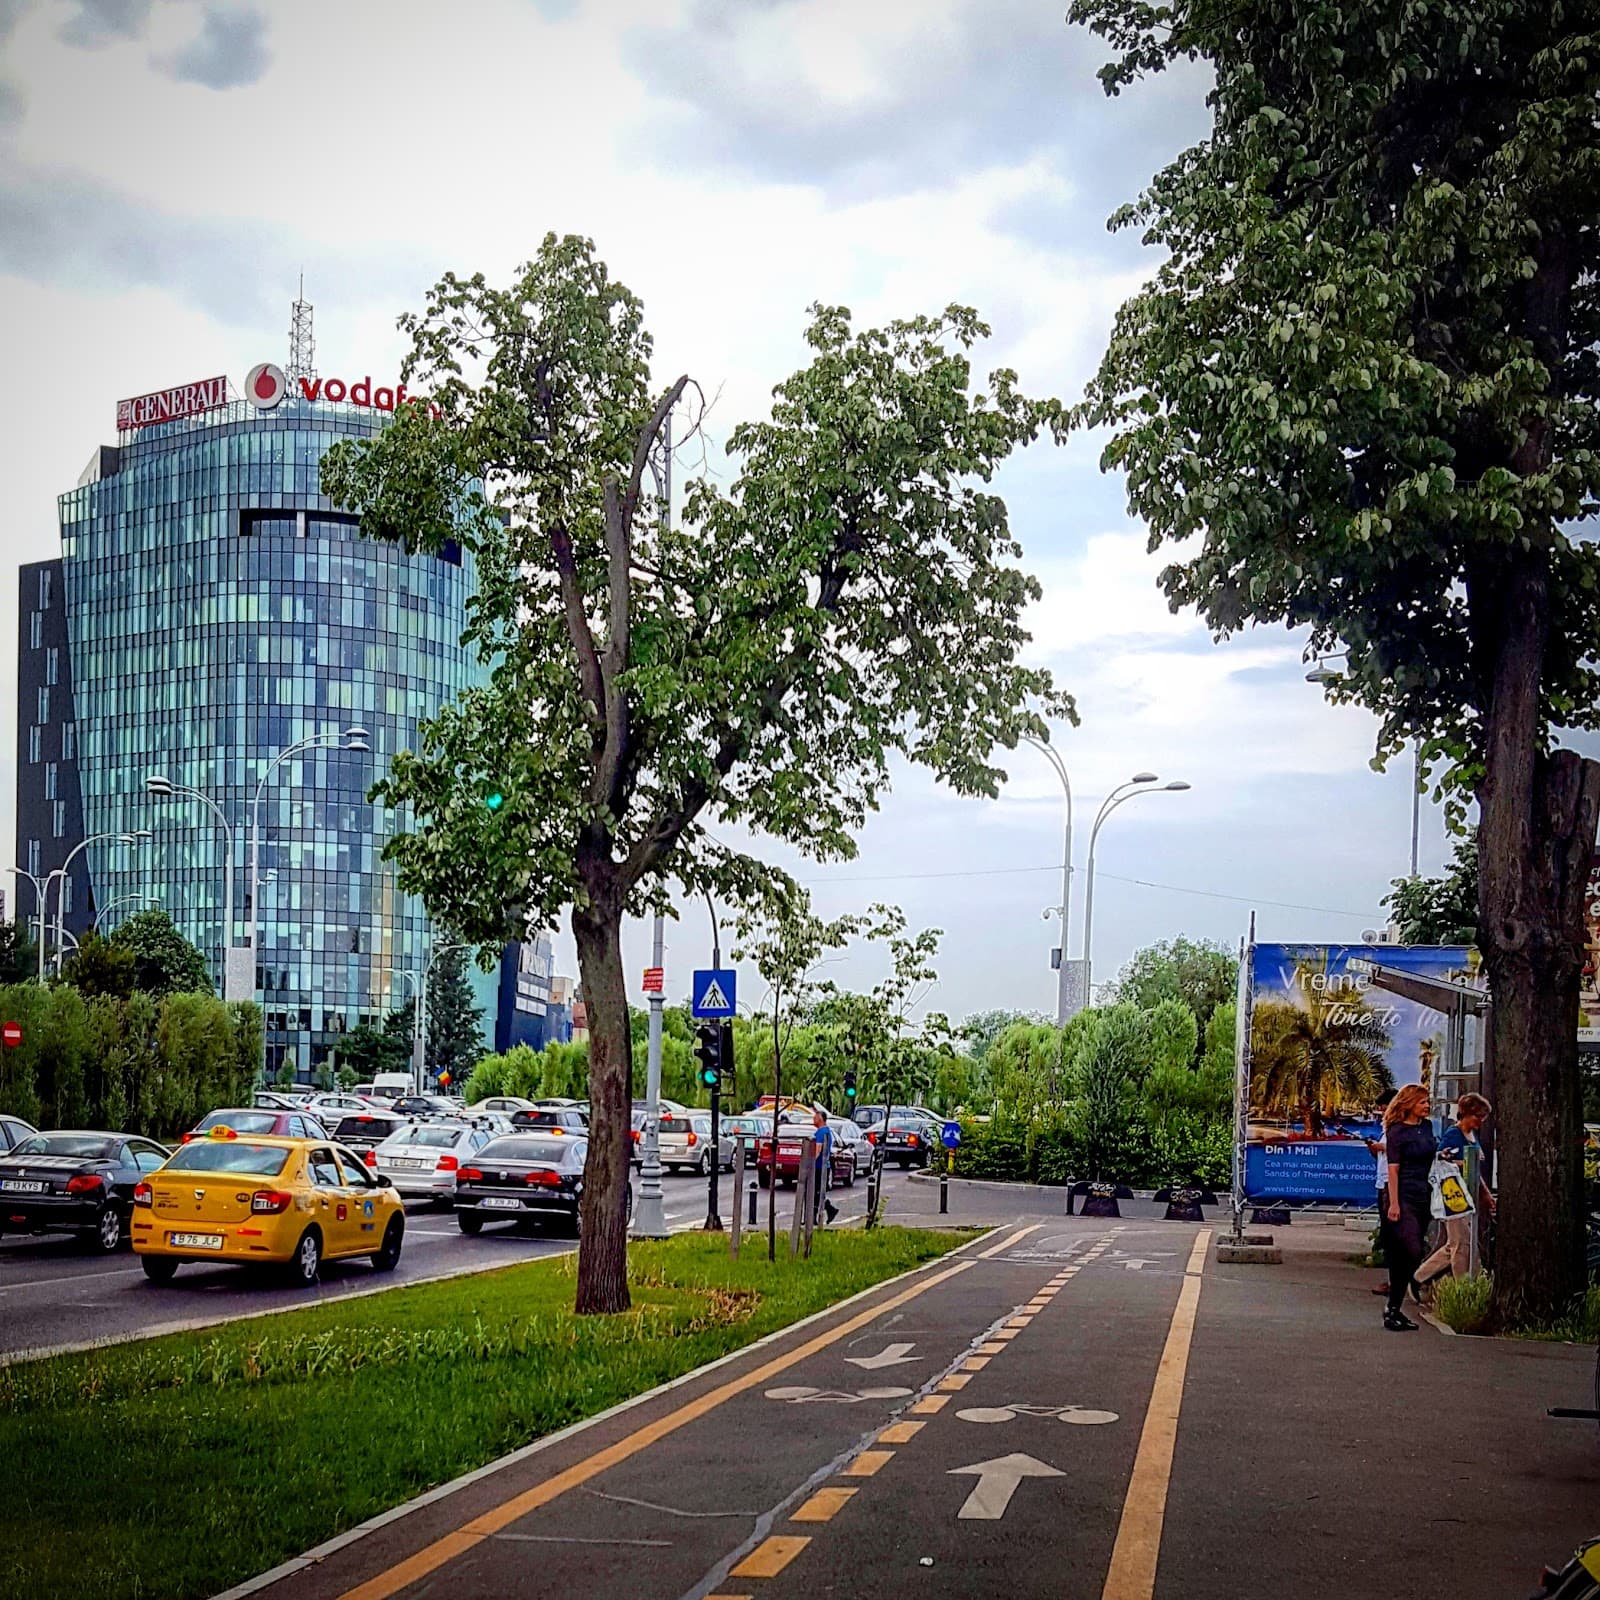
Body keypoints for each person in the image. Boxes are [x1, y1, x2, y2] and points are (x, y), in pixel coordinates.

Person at [1416, 1093, 1495, 1289]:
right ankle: (1463, 1288)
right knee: (1461, 1244)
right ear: (1467, 1113)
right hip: (1453, 1193)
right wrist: (1464, 1162)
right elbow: (1440, 1160)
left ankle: (1419, 1278)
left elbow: (1475, 1170)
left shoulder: (1471, 1135)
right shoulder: (1454, 1134)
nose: (1481, 1121)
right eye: (1478, 1116)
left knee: (1455, 1244)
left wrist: (1485, 1193)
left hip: (1468, 1194)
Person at [1380, 1084, 1436, 1331]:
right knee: (1410, 1248)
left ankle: (1394, 1308)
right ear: (1410, 1104)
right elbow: (1393, 1169)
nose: (1427, 1106)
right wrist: (1393, 1203)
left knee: (1407, 1254)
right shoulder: (1396, 1132)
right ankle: (1403, 1294)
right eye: (1422, 1102)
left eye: (1428, 1102)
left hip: (1423, 1192)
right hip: (1401, 1195)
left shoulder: (1427, 1127)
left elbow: (1430, 1154)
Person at [1363, 1089, 1396, 1296]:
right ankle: (1393, 1277)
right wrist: (1374, 1149)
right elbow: (1383, 1158)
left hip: (1390, 1186)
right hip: (1383, 1182)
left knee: (1394, 1234)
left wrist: (1381, 1147)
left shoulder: (1398, 1128)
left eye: (1384, 1109)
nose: (1382, 1114)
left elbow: (1395, 1151)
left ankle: (1396, 1281)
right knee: (1388, 1234)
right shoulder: (1387, 1128)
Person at [812, 1107, 838, 1226]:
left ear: (821, 1119)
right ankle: (827, 1210)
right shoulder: (826, 1131)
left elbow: (818, 1149)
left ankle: (815, 1215)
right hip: (824, 1166)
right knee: (818, 1192)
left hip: (818, 1167)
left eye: (815, 1117)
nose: (813, 1119)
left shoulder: (821, 1132)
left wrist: (810, 1163)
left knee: (815, 1192)